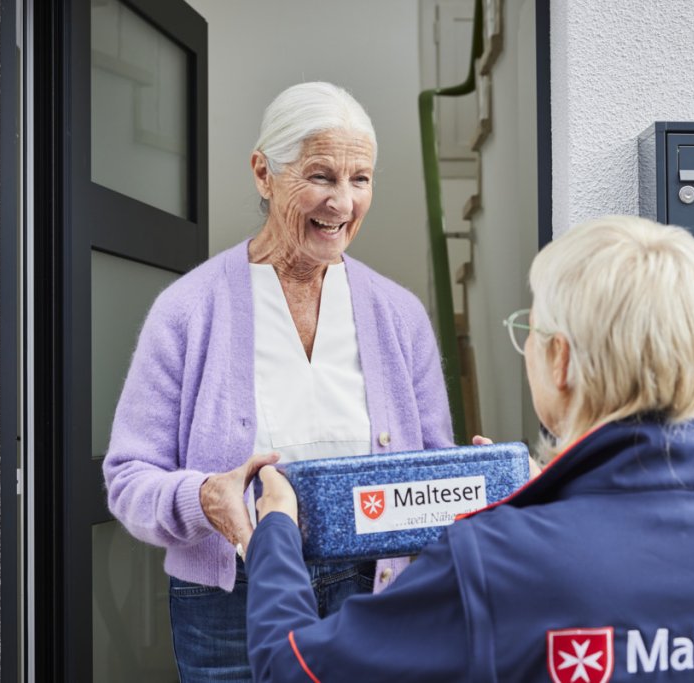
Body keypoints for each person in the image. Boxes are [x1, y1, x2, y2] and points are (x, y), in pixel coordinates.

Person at [245, 215, 694, 682]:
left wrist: (274, 528)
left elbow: (291, 665)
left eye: (533, 331)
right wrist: (545, 500)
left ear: (562, 359)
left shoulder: (493, 558)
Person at [102, 82, 454, 681]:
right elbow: (129, 479)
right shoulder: (187, 309)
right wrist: (201, 499)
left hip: (373, 582)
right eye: (322, 176)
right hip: (230, 596)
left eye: (361, 179)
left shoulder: (399, 315)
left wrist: (474, 484)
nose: (343, 203)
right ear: (264, 174)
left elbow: (434, 466)